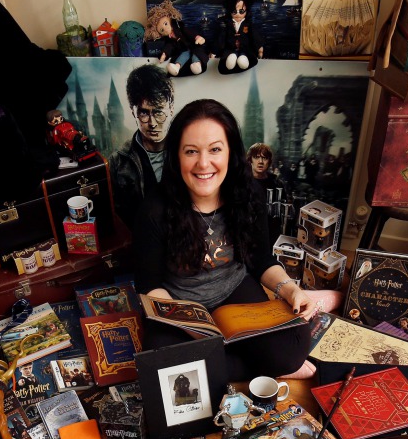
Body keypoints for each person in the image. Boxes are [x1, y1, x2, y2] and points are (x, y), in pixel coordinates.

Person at [135, 99, 339, 381]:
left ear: (230, 152)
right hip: (178, 305)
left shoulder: (249, 193)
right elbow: (149, 285)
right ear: (176, 156)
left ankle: (243, 363)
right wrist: (197, 328)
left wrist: (290, 289)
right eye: (191, 151)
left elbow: (260, 260)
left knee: (290, 350)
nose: (203, 163)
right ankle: (259, 365)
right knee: (162, 367)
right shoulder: (153, 208)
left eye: (215, 149)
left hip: (234, 292)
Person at [111, 64, 174, 228]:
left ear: (171, 108)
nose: (152, 123)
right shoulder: (118, 162)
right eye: (144, 113)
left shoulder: (186, 150)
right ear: (133, 112)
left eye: (159, 112)